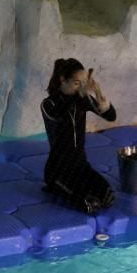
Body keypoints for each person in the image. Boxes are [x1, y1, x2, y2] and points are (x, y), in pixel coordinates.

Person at [40, 58, 118, 213]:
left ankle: (76, 187)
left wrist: (101, 97)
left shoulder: (82, 100)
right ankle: (55, 186)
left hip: (80, 166)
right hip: (58, 170)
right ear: (63, 80)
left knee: (107, 196)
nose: (81, 88)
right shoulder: (49, 104)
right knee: (89, 205)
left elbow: (111, 116)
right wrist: (80, 95)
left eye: (83, 83)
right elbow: (60, 115)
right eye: (77, 83)